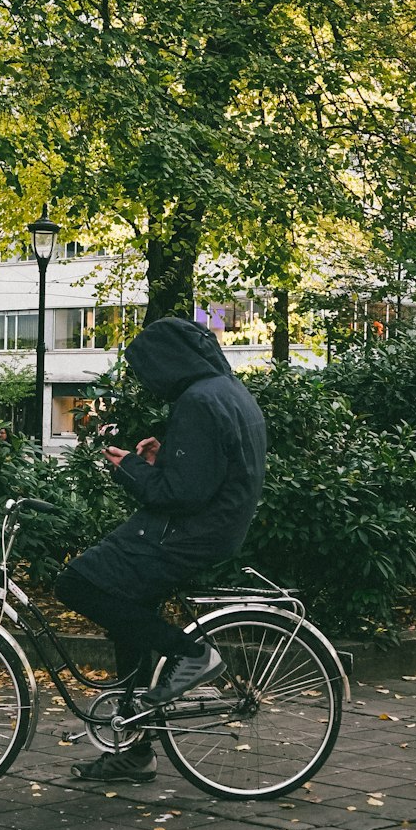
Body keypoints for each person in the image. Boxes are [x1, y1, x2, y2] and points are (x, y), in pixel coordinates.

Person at [56, 316, 266, 783]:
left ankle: (192, 654)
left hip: (185, 532)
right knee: (130, 616)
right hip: (213, 529)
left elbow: (180, 495)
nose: (149, 381)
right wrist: (161, 458)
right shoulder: (227, 392)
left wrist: (130, 467)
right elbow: (208, 474)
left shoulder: (198, 401)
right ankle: (135, 749)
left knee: (76, 583)